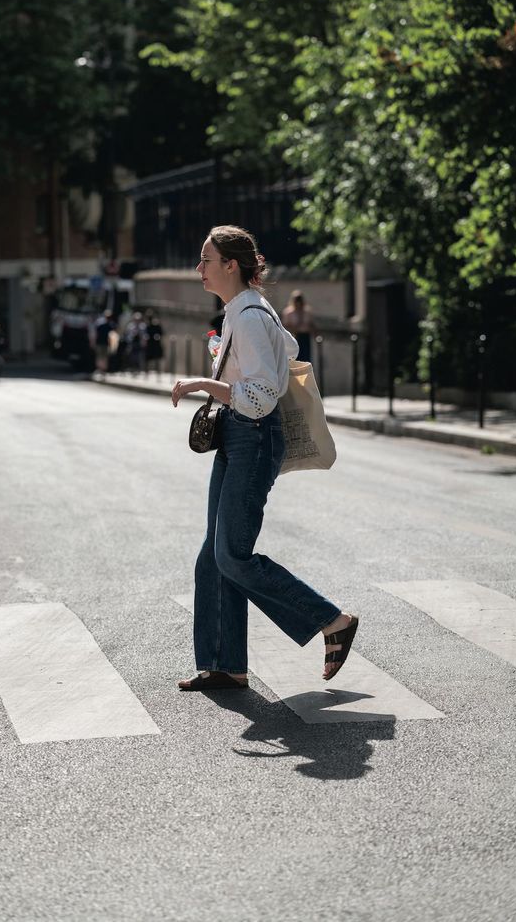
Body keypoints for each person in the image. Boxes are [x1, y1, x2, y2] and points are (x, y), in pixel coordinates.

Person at [170, 224, 358, 691]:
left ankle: (331, 620)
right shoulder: (249, 310)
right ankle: (224, 664)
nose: (199, 269)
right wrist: (230, 356)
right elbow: (288, 349)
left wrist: (204, 383)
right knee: (212, 558)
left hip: (252, 437)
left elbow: (260, 397)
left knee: (232, 555)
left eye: (206, 260)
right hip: (239, 437)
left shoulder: (249, 315)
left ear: (230, 266)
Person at [281, 288, 316, 363]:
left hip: (305, 337)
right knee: (295, 359)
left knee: (306, 359)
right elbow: (285, 326)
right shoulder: (288, 313)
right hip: (295, 336)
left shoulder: (307, 311)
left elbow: (311, 324)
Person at [93, 309, 116, 375]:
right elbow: (96, 333)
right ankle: (100, 369)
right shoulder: (101, 324)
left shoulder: (110, 325)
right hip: (100, 343)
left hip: (106, 343)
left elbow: (113, 335)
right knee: (100, 357)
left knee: (104, 357)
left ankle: (102, 370)